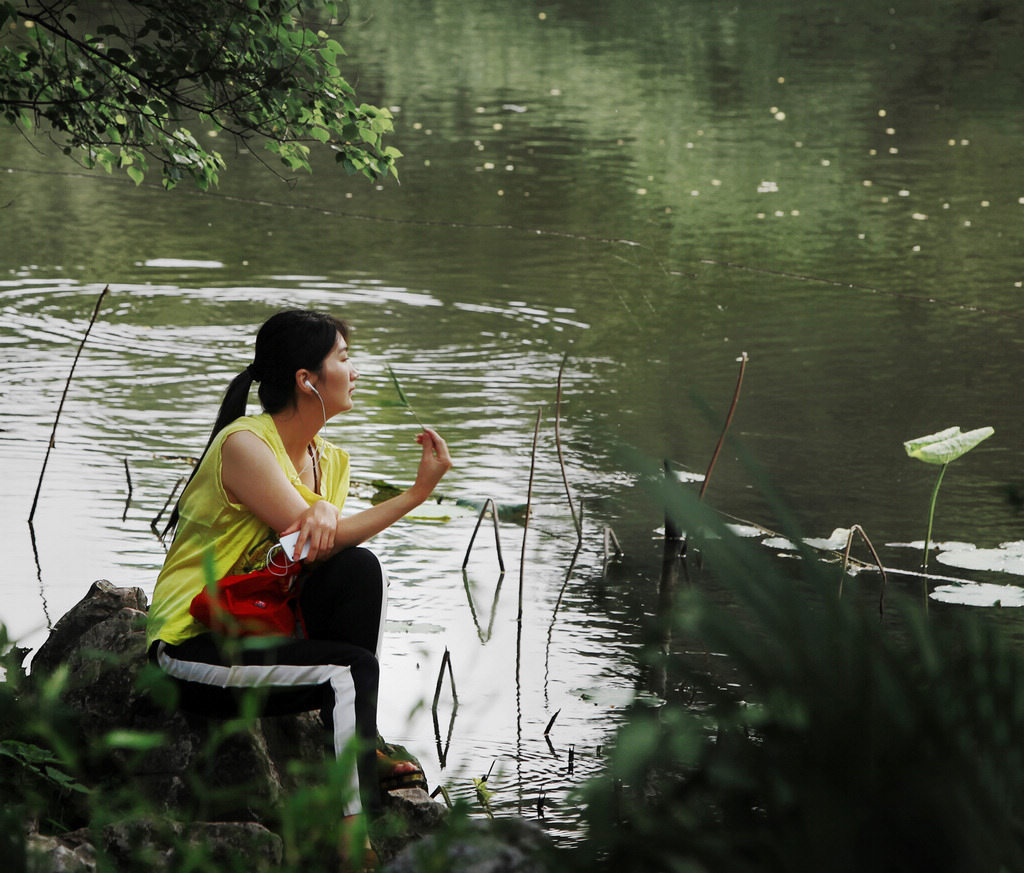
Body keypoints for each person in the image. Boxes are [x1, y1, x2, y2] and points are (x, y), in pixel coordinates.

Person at [145, 309, 452, 866]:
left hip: (259, 626)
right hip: (190, 647)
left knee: (358, 569)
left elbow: (322, 554)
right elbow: (307, 535)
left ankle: (362, 741)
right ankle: (351, 842)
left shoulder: (330, 460)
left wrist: (333, 511)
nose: (354, 370)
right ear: (307, 380)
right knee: (350, 670)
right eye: (343, 358)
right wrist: (412, 496)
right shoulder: (245, 446)